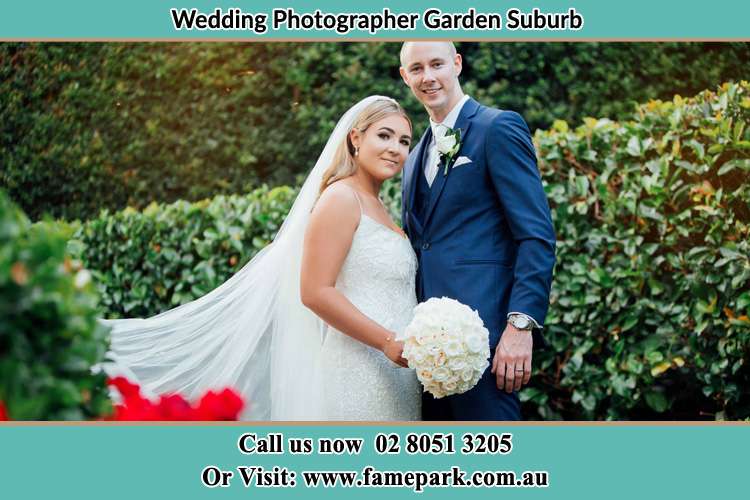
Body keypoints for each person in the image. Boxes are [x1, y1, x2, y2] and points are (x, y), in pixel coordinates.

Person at [101, 96, 420, 421]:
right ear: (356, 138)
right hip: (360, 367)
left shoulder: (382, 206)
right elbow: (315, 292)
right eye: (384, 135)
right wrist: (386, 342)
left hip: (397, 370)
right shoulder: (341, 198)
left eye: (404, 141)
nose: (395, 147)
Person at [399, 42, 556, 421]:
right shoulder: (412, 155)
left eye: (437, 64)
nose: (428, 76)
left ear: (457, 63)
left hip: (489, 342)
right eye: (416, 69)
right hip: (430, 353)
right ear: (405, 77)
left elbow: (535, 235)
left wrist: (520, 325)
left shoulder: (498, 127)